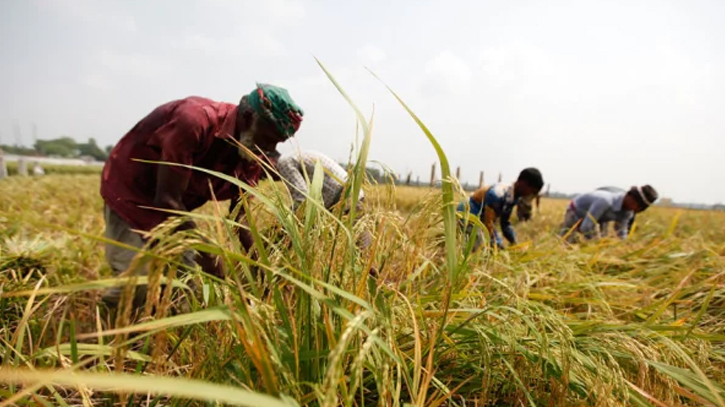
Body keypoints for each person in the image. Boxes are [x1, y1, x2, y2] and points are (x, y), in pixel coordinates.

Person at [100, 83, 304, 308]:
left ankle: (162, 337)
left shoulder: (252, 151)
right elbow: (166, 199)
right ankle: (108, 328)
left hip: (176, 210)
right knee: (136, 286)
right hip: (132, 195)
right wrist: (208, 253)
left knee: (184, 290)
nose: (269, 147)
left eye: (276, 142)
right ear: (247, 117)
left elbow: (241, 218)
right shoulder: (195, 121)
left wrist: (263, 266)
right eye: (267, 137)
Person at [276, 149, 372, 250]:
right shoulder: (297, 156)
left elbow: (302, 200)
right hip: (352, 197)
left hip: (346, 201)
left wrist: (282, 221)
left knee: (361, 252)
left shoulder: (284, 162)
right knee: (362, 250)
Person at [457, 168, 544, 251]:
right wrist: (498, 243)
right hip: (468, 213)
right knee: (480, 249)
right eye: (532, 191)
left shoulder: (513, 197)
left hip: (480, 218)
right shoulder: (498, 194)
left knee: (490, 246)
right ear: (523, 183)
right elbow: (488, 223)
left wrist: (514, 242)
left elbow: (504, 222)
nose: (530, 195)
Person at [559, 185, 658, 242]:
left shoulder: (627, 212)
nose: (635, 209)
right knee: (568, 241)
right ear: (631, 197)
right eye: (636, 205)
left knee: (602, 238)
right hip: (577, 211)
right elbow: (586, 226)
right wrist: (595, 243)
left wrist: (623, 246)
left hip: (600, 218)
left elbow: (621, 232)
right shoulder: (605, 201)